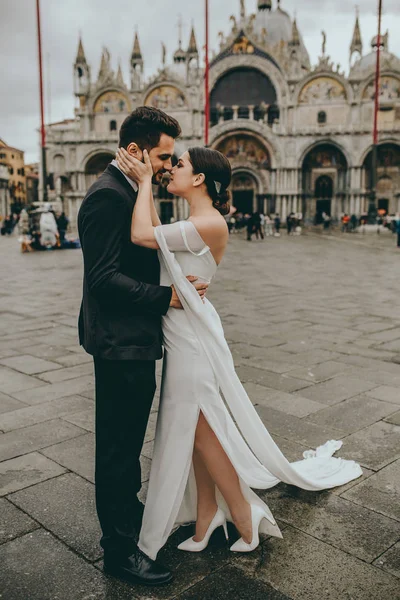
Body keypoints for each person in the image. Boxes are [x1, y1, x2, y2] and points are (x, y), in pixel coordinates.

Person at [116, 144, 362, 563]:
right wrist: (149, 189)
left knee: (202, 435)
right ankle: (207, 516)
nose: (170, 169)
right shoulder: (196, 220)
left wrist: (142, 182)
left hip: (191, 340)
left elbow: (142, 235)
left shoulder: (208, 222)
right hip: (184, 333)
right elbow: (158, 238)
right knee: (193, 437)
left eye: (180, 164)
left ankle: (246, 516)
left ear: (198, 179)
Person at [77, 107, 208, 588]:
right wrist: (166, 297)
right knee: (117, 449)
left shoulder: (126, 190)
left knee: (126, 444)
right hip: (119, 343)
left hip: (129, 338)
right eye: (163, 156)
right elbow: (104, 279)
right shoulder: (107, 198)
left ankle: (126, 527)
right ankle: (118, 552)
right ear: (134, 151)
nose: (169, 165)